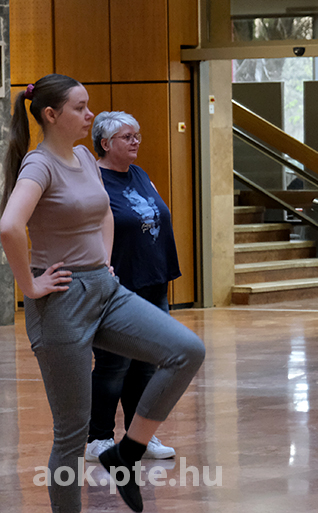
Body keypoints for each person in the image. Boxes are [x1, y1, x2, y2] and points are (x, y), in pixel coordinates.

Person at [0, 75, 206, 513]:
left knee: (186, 350)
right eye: (80, 107)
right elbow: (9, 226)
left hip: (105, 287)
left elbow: (105, 215)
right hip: (61, 300)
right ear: (51, 115)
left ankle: (126, 453)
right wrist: (29, 286)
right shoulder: (39, 165)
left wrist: (105, 260)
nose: (89, 114)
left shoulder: (82, 157)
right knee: (72, 434)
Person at [84, 112, 181, 463]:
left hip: (153, 280)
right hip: (118, 286)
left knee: (147, 364)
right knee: (114, 364)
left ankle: (139, 437)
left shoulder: (139, 174)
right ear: (106, 143)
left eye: (137, 135)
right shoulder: (94, 180)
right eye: (127, 137)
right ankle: (98, 438)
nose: (136, 141)